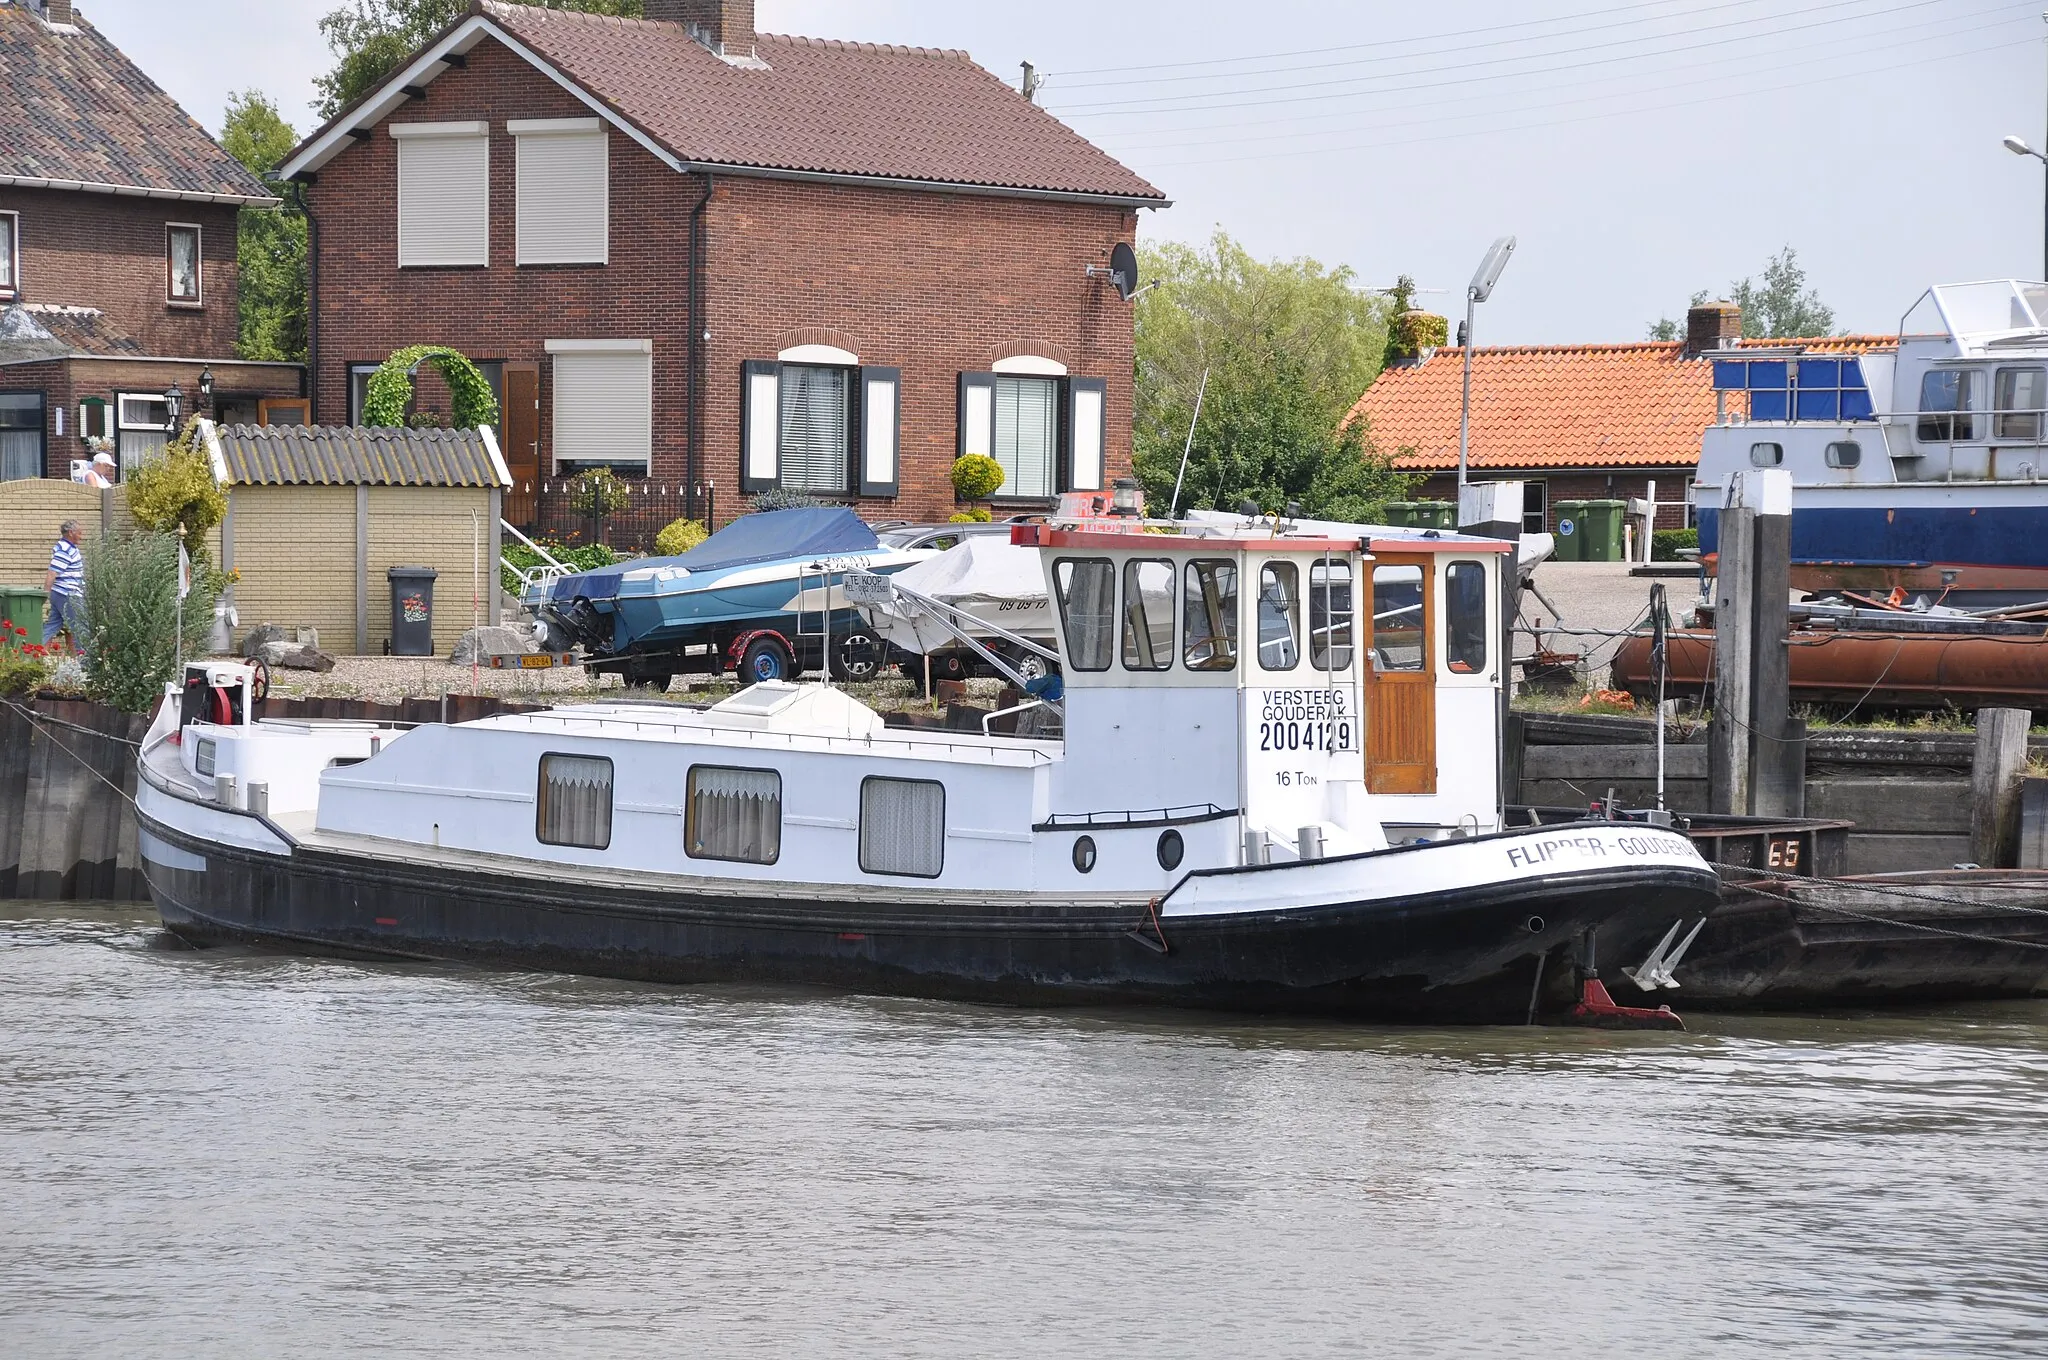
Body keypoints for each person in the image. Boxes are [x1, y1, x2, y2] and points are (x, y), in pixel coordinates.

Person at [43, 520, 86, 649]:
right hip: (68, 594)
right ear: (71, 533)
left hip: (61, 594)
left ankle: (32, 654)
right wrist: (45, 593)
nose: (81, 536)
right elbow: (52, 572)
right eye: (79, 533)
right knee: (80, 627)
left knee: (52, 625)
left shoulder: (66, 548)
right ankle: (84, 662)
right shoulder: (65, 550)